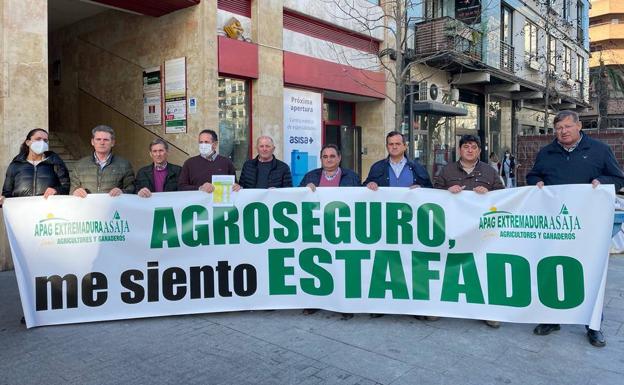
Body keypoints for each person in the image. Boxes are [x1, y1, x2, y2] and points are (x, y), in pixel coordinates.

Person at [527, 110, 624, 348]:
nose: (563, 132)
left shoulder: (599, 150)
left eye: (568, 127)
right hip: (555, 226)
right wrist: (535, 182)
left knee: (590, 273)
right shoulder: (546, 152)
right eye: (559, 128)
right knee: (552, 269)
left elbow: (619, 178)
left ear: (579, 126)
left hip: (589, 227)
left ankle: (593, 325)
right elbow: (532, 175)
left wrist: (602, 183)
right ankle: (552, 318)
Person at [434, 134, 504, 328]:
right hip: (452, 229)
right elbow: (432, 193)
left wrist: (489, 194)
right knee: (448, 266)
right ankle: (438, 306)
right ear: (460, 150)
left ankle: (488, 310)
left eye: (474, 147)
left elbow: (503, 196)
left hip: (481, 232)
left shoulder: (489, 172)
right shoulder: (447, 170)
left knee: (482, 267)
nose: (470, 150)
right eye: (466, 146)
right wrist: (446, 191)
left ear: (479, 151)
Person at [299, 144, 360, 320]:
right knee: (318, 265)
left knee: (341, 266)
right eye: (325, 156)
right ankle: (314, 303)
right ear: (321, 159)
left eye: (332, 156)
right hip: (317, 228)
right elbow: (296, 196)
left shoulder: (352, 177)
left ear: (339, 158)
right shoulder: (311, 176)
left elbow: (362, 198)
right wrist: (305, 188)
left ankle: (344, 304)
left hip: (342, 228)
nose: (329, 159)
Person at [1, 128, 70, 205]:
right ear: (28, 142)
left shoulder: (55, 163)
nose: (42, 142)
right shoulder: (15, 165)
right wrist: (3, 199)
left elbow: (66, 188)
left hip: (47, 211)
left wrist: (56, 190)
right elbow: (7, 193)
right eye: (38, 139)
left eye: (45, 140)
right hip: (21, 212)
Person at [71, 125, 135, 197]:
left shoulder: (124, 164)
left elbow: (132, 188)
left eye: (106, 140)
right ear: (92, 142)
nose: (102, 143)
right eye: (98, 139)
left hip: (113, 207)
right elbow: (72, 189)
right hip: (87, 207)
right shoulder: (79, 165)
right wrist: (76, 190)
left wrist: (122, 191)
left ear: (112, 143)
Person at [364, 131, 432, 190]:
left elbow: (430, 189)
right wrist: (370, 184)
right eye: (391, 144)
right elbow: (364, 188)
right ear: (387, 147)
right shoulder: (377, 167)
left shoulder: (418, 167)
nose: (394, 147)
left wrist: (421, 188)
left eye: (398, 144)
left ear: (405, 146)